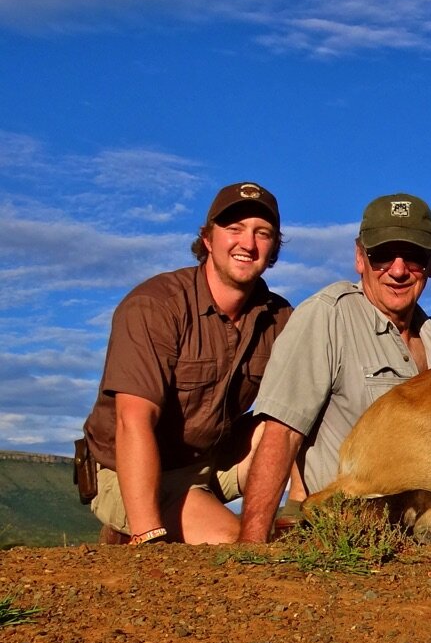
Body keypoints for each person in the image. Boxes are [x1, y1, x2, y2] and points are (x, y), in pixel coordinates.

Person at [238, 192, 431, 542]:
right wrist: (251, 547)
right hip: (347, 529)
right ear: (360, 257)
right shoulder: (328, 315)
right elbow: (281, 434)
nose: (399, 270)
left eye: (414, 256)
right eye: (383, 255)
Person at [82, 182, 292, 545]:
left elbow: (300, 412)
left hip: (210, 460)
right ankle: (133, 524)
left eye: (263, 233)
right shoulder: (155, 306)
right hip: (127, 469)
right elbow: (133, 420)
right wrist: (149, 537)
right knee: (231, 541)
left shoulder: (280, 317)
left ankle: (305, 520)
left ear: (273, 247)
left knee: (295, 420)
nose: (248, 244)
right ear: (208, 238)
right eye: (234, 229)